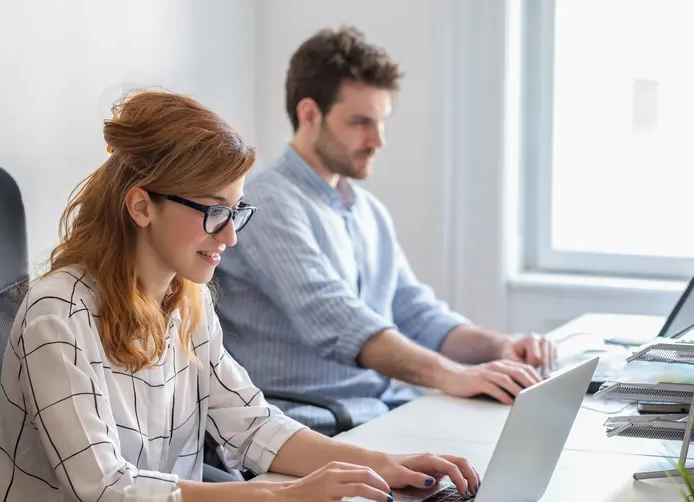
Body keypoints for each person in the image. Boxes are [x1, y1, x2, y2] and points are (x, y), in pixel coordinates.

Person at [0, 90, 479, 502]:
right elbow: (108, 494)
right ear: (141, 206)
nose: (230, 234)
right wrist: (284, 499)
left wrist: (388, 467)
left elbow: (252, 425)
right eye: (212, 212)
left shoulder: (188, 298)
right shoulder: (58, 314)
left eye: (236, 211)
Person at [214, 27, 557, 434]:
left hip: (380, 411)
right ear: (309, 114)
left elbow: (415, 311)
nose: (377, 140)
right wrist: (450, 375)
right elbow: (336, 317)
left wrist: (499, 346)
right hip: (313, 425)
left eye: (381, 122)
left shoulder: (366, 211)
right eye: (360, 122)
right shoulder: (266, 201)